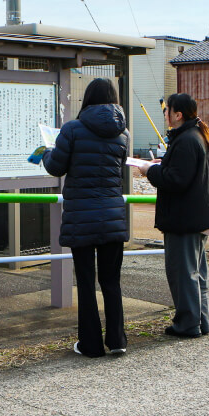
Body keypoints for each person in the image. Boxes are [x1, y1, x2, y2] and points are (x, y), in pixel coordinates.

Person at [42, 78, 130, 357]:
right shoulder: (123, 133)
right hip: (113, 215)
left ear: (87, 99)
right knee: (111, 281)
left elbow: (56, 167)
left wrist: (45, 153)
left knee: (86, 281)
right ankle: (117, 340)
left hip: (82, 217)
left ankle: (91, 344)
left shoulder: (72, 129)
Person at [139, 93, 209, 338]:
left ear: (178, 114)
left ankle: (187, 324)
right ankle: (200, 322)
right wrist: (163, 165)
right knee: (196, 274)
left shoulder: (185, 140)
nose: (165, 114)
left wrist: (149, 171)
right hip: (198, 216)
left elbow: (176, 179)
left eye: (168, 111)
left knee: (183, 274)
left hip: (185, 219)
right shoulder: (197, 135)